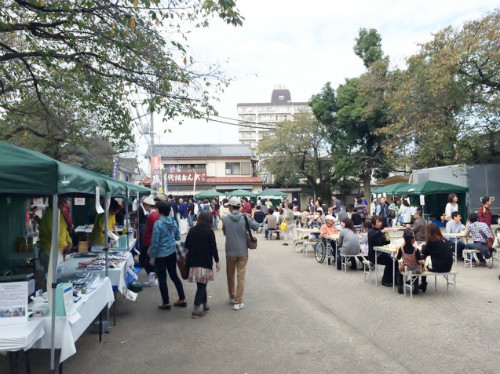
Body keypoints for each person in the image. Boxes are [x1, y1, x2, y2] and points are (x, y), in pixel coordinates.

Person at [222, 196, 259, 310]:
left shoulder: (225, 219)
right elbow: (256, 227)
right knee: (241, 276)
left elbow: (224, 232)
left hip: (230, 251)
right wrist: (250, 217)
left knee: (230, 274)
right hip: (243, 251)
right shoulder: (245, 218)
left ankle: (232, 296)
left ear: (231, 207)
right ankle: (238, 301)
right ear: (239, 207)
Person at [149, 201, 186, 310]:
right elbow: (178, 237)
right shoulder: (173, 221)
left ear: (159, 211)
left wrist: (152, 257)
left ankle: (166, 302)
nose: (155, 210)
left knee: (162, 278)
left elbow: (155, 242)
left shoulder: (158, 224)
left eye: (156, 209)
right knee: (174, 275)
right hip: (171, 252)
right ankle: (182, 298)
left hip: (161, 255)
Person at [185, 211, 220, 318]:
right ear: (209, 219)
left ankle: (205, 305)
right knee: (202, 285)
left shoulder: (192, 230)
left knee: (201, 284)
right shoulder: (209, 232)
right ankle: (196, 310)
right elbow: (213, 248)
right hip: (205, 262)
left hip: (193, 262)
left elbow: (186, 245)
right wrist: (217, 261)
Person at [38, 197, 72, 278]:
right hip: (49, 251)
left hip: (58, 249)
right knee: (51, 277)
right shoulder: (49, 215)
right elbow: (53, 234)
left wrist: (69, 241)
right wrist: (65, 244)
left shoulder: (58, 213)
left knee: (58, 275)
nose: (63, 203)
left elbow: (64, 230)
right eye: (62, 201)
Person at [420, 223, 453, 292]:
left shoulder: (431, 241)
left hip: (438, 267)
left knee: (422, 260)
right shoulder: (445, 240)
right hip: (448, 267)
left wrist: (423, 246)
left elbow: (425, 252)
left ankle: (422, 283)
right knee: (427, 257)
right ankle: (422, 284)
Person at [368, 215, 394, 287]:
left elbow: (384, 243)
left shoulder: (380, 231)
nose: (380, 223)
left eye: (380, 222)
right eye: (378, 222)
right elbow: (372, 237)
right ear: (374, 223)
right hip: (374, 255)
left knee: (395, 261)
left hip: (381, 253)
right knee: (390, 262)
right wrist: (382, 232)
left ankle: (393, 279)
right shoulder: (371, 231)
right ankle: (385, 280)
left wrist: (388, 239)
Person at [396, 230, 424, 294]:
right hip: (415, 268)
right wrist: (423, 261)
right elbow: (419, 260)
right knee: (416, 272)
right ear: (412, 240)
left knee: (399, 272)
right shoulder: (415, 250)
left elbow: (398, 258)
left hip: (405, 268)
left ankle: (400, 287)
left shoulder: (401, 248)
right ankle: (416, 288)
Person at [140, 195, 160, 286]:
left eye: (145, 205)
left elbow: (154, 231)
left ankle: (153, 278)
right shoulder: (154, 215)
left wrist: (152, 244)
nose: (144, 207)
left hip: (149, 242)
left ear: (148, 206)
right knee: (148, 260)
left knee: (145, 259)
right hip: (149, 242)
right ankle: (152, 278)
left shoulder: (152, 216)